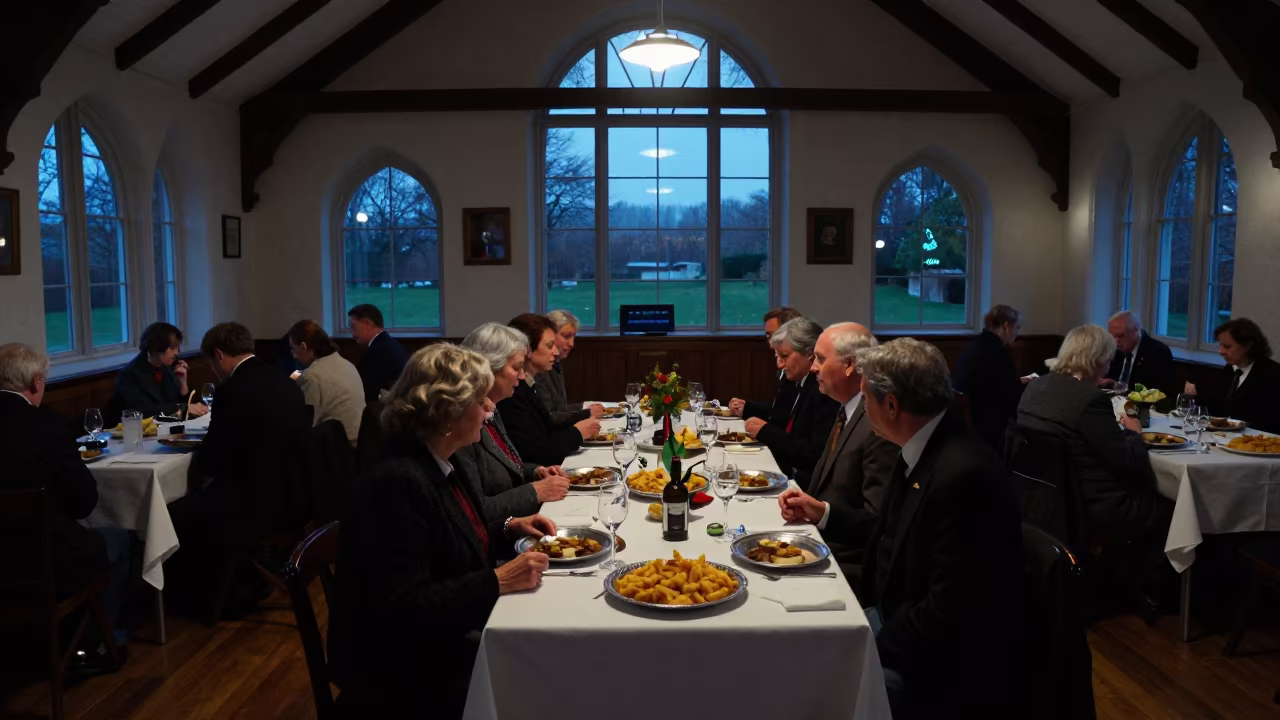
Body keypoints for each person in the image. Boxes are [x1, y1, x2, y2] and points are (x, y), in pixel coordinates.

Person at [328, 343, 555, 718]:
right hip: (402, 667)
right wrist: (496, 580)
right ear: (447, 412)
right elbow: (404, 608)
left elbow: (451, 535)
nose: (489, 410)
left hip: (441, 638)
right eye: (480, 400)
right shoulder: (396, 481)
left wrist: (511, 526)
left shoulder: (439, 459)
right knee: (545, 669)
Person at [856, 338, 1025, 718]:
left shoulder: (965, 474)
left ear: (892, 404)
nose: (864, 408)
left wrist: (868, 639)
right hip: (898, 623)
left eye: (866, 398)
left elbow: (952, 611)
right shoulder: (921, 447)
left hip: (942, 669)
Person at [1018, 324, 1173, 610]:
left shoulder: (1037, 387)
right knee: (1169, 506)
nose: (1109, 364)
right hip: (1087, 505)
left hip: (1039, 498)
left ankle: (1112, 578)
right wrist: (1134, 432)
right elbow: (1128, 463)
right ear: (1097, 360)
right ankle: (1143, 590)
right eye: (1107, 358)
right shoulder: (1089, 401)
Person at [0, 343, 131, 672]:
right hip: (44, 560)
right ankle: (93, 643)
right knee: (122, 540)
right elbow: (85, 501)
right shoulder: (46, 427)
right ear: (36, 383)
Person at [168, 323, 312, 613]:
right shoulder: (283, 379)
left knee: (178, 512)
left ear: (218, 354)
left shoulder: (233, 390)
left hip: (259, 505)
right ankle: (247, 582)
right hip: (295, 493)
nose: (212, 370)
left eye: (210, 363)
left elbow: (215, 459)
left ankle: (208, 598)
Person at [776, 323, 898, 587]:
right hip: (820, 542)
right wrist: (807, 506)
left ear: (850, 365)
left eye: (820, 358)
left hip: (846, 565)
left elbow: (880, 525)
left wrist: (823, 513)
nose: (812, 367)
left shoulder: (877, 424)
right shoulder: (846, 409)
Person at [456, 322, 572, 517]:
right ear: (488, 367)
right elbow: (474, 512)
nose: (522, 375)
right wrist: (536, 491)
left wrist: (536, 471)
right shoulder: (462, 423)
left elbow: (510, 464)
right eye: (517, 367)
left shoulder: (491, 407)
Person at [741, 317, 838, 490]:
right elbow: (779, 419)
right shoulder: (795, 380)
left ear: (810, 354)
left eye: (784, 356)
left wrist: (766, 431)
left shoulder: (822, 391)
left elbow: (813, 455)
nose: (779, 364)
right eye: (777, 356)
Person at [497, 313, 599, 466]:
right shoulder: (512, 392)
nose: (556, 352)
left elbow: (546, 431)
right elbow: (535, 451)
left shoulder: (526, 385)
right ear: (528, 350)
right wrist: (577, 433)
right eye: (550, 345)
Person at [953, 305, 1033, 453]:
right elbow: (1010, 397)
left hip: (967, 419)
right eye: (1017, 327)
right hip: (987, 425)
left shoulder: (977, 344)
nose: (1018, 332)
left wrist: (1019, 381)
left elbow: (994, 383)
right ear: (1006, 326)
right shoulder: (997, 352)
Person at [1185, 318, 1280, 433]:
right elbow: (1216, 408)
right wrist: (1195, 395)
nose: (1221, 351)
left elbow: (1266, 419)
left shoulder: (1273, 374)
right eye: (1220, 345)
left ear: (1248, 346)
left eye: (1227, 347)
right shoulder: (1229, 370)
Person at [108, 322, 207, 423]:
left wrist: (183, 384)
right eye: (172, 348)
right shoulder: (129, 376)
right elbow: (143, 412)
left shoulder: (168, 367)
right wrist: (181, 408)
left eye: (177, 348)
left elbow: (184, 406)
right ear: (156, 347)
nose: (177, 353)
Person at [288, 320, 365, 446]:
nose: (293, 355)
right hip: (358, 441)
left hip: (334, 448)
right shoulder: (347, 364)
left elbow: (306, 423)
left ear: (303, 346)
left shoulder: (312, 376)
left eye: (293, 349)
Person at [728, 306, 803, 425]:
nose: (770, 343)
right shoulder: (786, 367)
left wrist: (763, 430)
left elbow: (787, 419)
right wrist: (746, 407)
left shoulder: (804, 373)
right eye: (768, 336)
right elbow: (780, 410)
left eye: (772, 335)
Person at [533, 309, 604, 424]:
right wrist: (586, 413)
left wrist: (584, 407)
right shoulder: (539, 369)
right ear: (549, 335)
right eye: (566, 336)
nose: (571, 344)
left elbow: (560, 408)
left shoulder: (556, 363)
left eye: (573, 337)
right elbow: (549, 416)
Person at [348, 304, 410, 403]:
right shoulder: (388, 344)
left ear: (368, 324)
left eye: (353, 327)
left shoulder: (378, 351)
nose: (352, 333)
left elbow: (365, 391)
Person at [1106, 311, 1175, 397]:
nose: (1116, 341)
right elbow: (1110, 376)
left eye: (1121, 336)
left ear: (1135, 330)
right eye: (1113, 336)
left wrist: (1119, 387)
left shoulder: (1158, 352)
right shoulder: (1115, 349)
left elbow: (1156, 393)